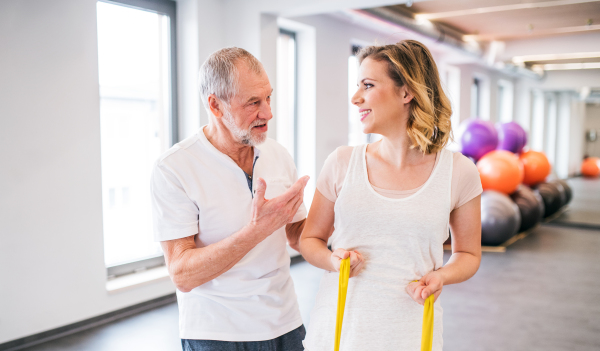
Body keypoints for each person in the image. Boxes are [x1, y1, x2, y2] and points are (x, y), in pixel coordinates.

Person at [300, 40, 483, 350]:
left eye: (368, 85)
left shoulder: (459, 172)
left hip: (411, 333)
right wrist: (333, 259)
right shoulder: (342, 162)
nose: (355, 98)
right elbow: (309, 240)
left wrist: (442, 277)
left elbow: (468, 254)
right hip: (339, 330)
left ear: (406, 92)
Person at [151, 47, 309, 351]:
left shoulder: (277, 154)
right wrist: (256, 232)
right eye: (253, 102)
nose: (268, 113)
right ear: (216, 105)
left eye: (268, 98)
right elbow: (182, 273)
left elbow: (298, 234)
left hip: (285, 325)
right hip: (217, 334)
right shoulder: (174, 168)